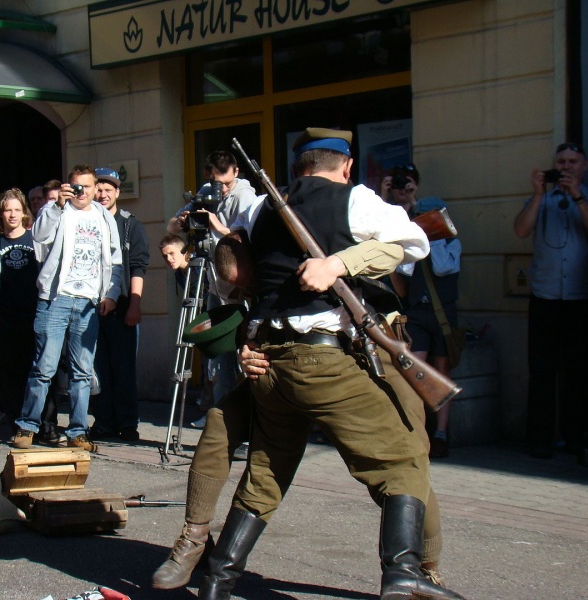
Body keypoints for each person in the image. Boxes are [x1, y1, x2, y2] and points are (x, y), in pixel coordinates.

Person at [195, 128, 465, 600]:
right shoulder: (356, 199)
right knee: (404, 462)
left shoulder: (258, 208)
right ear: (346, 166)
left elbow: (233, 278)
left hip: (269, 362)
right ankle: (404, 571)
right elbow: (413, 242)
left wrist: (251, 335)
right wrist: (341, 264)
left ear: (298, 167)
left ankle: (217, 581)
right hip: (325, 359)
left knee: (264, 475)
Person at [12, 165, 123, 451]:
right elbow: (39, 236)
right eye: (76, 186)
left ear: (95, 188)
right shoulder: (56, 210)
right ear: (67, 187)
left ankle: (78, 431)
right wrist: (57, 206)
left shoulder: (103, 217)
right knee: (44, 367)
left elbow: (115, 259)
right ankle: (27, 426)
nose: (81, 192)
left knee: (82, 372)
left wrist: (111, 293)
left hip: (87, 302)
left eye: (87, 186)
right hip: (55, 299)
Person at [513, 142, 588, 458]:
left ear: (585, 165)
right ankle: (540, 439)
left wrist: (577, 196)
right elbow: (521, 230)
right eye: (561, 162)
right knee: (541, 370)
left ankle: (575, 437)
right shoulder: (541, 199)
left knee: (578, 370)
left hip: (582, 296)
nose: (566, 167)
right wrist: (538, 194)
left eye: (573, 162)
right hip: (545, 295)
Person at [168, 151, 258, 420]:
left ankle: (247, 420)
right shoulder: (206, 192)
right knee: (217, 356)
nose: (222, 189)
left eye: (227, 183)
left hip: (238, 288)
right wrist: (183, 220)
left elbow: (247, 237)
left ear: (236, 172)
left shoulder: (245, 196)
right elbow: (171, 228)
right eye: (217, 182)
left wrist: (216, 224)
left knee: (244, 356)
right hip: (214, 284)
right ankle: (220, 417)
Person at [391, 196, 462, 459]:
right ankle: (417, 431)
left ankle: (441, 433)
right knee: (415, 371)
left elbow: (444, 268)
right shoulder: (414, 244)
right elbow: (405, 273)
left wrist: (434, 239)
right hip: (418, 314)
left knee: (442, 371)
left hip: (443, 314)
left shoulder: (452, 243)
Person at [90, 167, 150, 442]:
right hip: (91, 308)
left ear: (117, 192)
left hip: (123, 308)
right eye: (98, 189)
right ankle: (103, 423)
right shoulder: (86, 222)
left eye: (107, 190)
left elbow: (138, 267)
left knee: (124, 370)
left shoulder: (130, 225)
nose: (102, 195)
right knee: (97, 370)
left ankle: (127, 425)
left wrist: (134, 305)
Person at [0, 189, 41, 431]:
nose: (12, 215)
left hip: (34, 317)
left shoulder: (37, 241)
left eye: (17, 209)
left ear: (24, 212)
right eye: (8, 210)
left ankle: (38, 421)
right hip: (5, 319)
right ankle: (13, 420)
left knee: (36, 371)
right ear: (0, 214)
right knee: (9, 372)